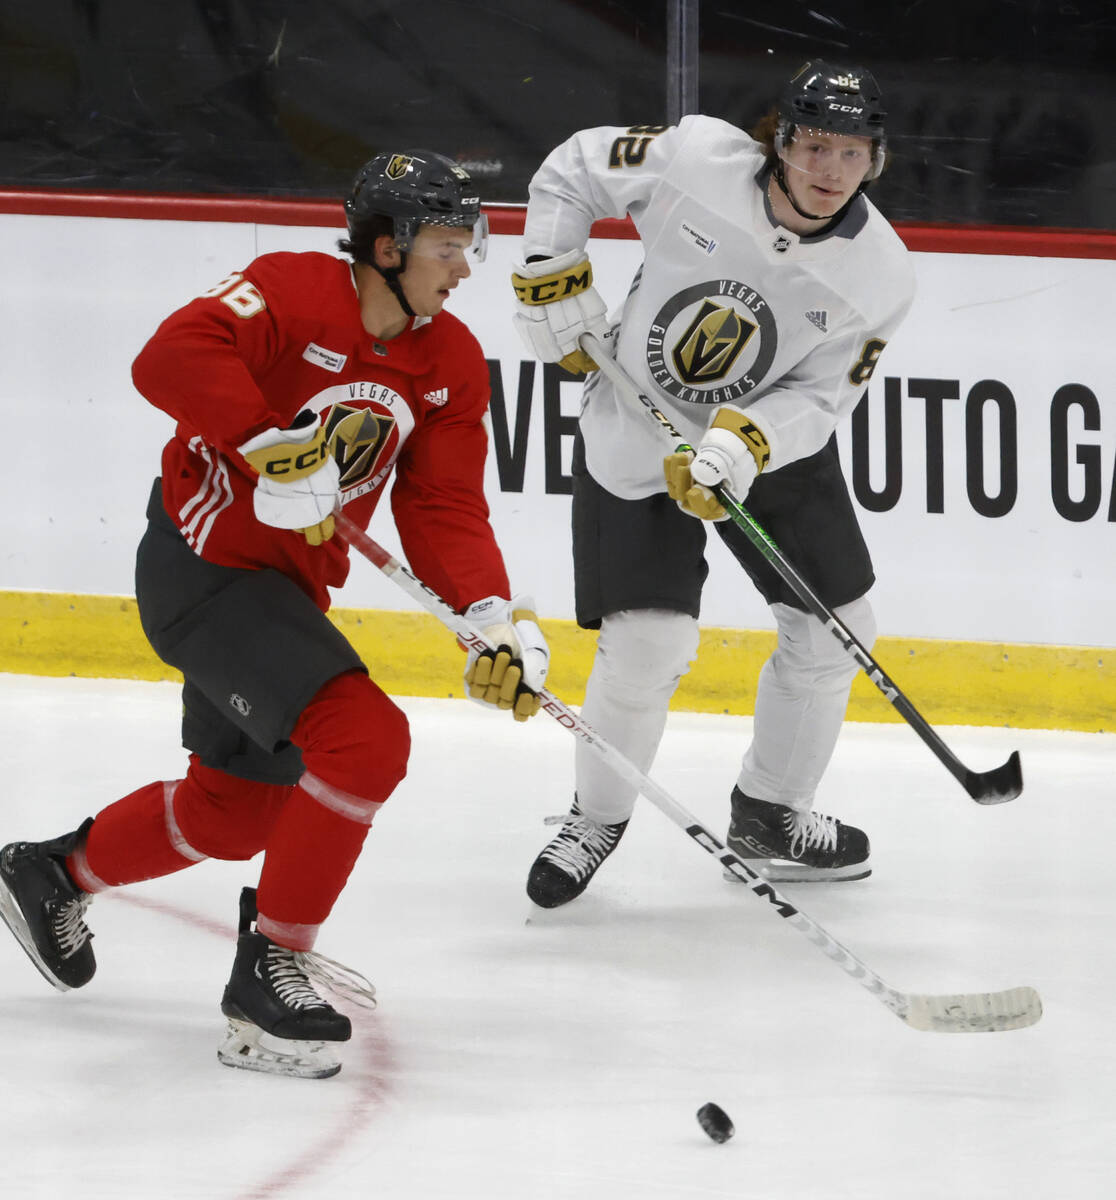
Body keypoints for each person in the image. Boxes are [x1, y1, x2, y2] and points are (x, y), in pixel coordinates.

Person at [0, 149, 549, 1078]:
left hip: (283, 594)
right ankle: (271, 975)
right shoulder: (288, 290)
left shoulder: (448, 361)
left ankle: (54, 873)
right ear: (386, 247)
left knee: (234, 813)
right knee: (365, 741)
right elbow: (170, 354)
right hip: (202, 568)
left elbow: (446, 507)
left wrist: (491, 617)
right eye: (450, 246)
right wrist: (266, 445)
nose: (465, 267)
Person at [510, 61, 915, 907]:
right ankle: (595, 818)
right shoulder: (697, 158)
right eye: (812, 145)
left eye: (852, 152)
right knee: (648, 645)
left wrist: (749, 442)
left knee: (837, 629)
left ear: (874, 159)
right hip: (636, 417)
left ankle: (770, 815)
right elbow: (576, 167)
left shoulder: (881, 274)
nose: (829, 170)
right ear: (780, 141)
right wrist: (553, 269)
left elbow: (821, 397)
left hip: (764, 446)